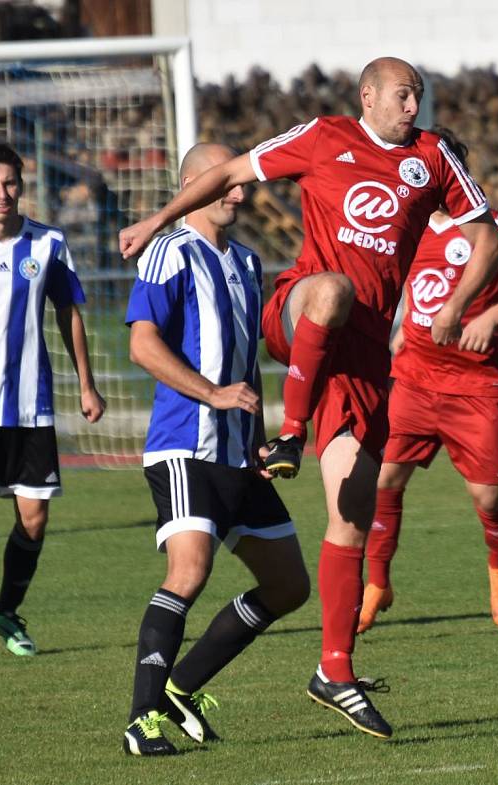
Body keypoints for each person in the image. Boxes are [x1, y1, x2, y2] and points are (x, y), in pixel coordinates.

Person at [119, 57, 498, 740]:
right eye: (402, 93)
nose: (413, 104)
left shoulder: (433, 156)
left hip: (359, 361)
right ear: (368, 96)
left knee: (353, 512)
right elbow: (228, 172)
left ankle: (334, 668)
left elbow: (488, 239)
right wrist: (157, 218)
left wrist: (464, 304)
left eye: (419, 93)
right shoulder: (323, 137)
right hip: (300, 311)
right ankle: (293, 434)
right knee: (332, 290)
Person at [122, 143, 310, 756]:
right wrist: (211, 393)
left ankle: (181, 686)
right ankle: (141, 720)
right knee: (190, 571)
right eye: (222, 182)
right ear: (188, 186)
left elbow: (245, 366)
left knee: (288, 587)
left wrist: (257, 439)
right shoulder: (168, 252)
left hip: (237, 452)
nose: (237, 190)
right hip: (184, 446)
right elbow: (143, 346)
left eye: (238, 182)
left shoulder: (248, 263)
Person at [358, 130, 498, 634]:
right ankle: (377, 581)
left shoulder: (491, 229)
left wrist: (490, 318)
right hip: (415, 380)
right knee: (383, 479)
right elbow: (399, 285)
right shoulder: (408, 228)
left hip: (476, 387)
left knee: (487, 497)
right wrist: (402, 328)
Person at [0, 142, 104, 662]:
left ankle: (6, 611)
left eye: (10, 183)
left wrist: (87, 384)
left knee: (34, 520)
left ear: (21, 185)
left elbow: (69, 314)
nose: (3, 193)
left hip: (30, 407)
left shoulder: (48, 243)